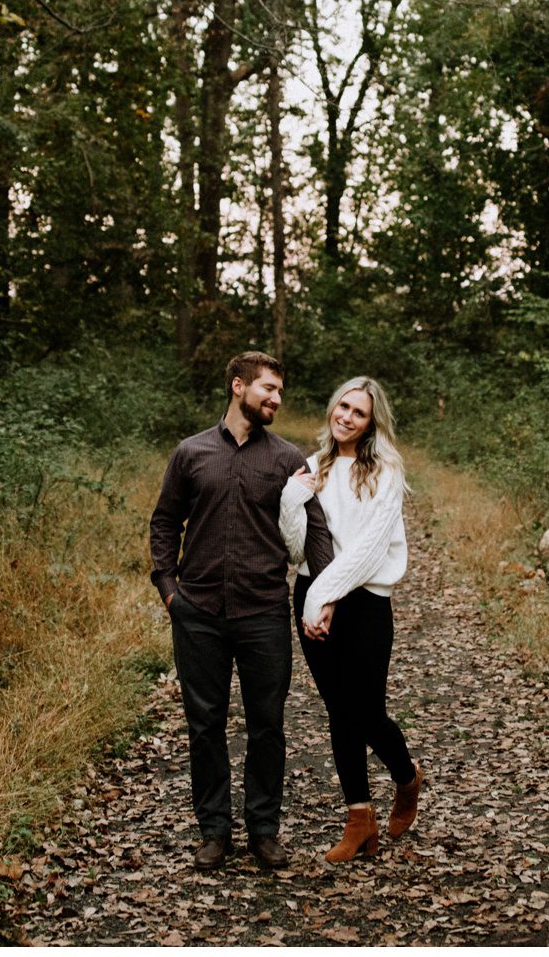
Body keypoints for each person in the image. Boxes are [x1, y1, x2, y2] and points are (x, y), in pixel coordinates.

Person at [149, 351, 333, 871]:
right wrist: (169, 589)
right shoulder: (190, 454)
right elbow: (165, 522)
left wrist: (324, 595)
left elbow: (315, 527)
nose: (276, 399)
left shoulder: (285, 459)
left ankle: (264, 830)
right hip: (198, 612)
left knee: (267, 725)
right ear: (238, 386)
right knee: (204, 724)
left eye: (280, 391)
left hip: (263, 613)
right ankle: (213, 831)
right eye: (268, 389)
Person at [278, 375, 424, 862]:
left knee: (366, 711)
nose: (346, 417)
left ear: (371, 422)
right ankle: (359, 819)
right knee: (339, 711)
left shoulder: (384, 471)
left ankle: (407, 778)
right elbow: (295, 547)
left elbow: (367, 551)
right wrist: (291, 500)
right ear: (331, 407)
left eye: (358, 413)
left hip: (361, 602)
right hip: (313, 593)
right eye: (342, 406)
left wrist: (323, 596)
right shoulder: (313, 466)